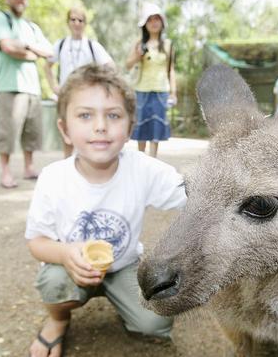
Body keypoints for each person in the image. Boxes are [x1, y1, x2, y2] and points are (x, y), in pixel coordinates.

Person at [26, 65, 186, 357]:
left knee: (155, 323)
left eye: (113, 115)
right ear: (64, 129)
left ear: (129, 127)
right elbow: (36, 242)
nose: (100, 126)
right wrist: (64, 254)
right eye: (85, 115)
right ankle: (57, 320)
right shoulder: (53, 177)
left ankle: (120, 297)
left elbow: (193, 195)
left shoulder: (143, 169)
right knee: (53, 281)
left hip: (124, 265)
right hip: (72, 266)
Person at [0, 0, 53, 188]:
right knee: (7, 131)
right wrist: (32, 51)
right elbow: (7, 47)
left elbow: (49, 52)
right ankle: (6, 172)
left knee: (31, 131)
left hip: (32, 86)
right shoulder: (0, 18)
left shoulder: (31, 27)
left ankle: (29, 167)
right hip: (9, 84)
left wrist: (24, 47)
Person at [44, 7, 115, 158]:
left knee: (87, 130)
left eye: (80, 20)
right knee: (68, 130)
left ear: (85, 23)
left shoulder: (91, 45)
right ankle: (67, 163)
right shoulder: (61, 44)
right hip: (66, 95)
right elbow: (47, 66)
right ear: (68, 22)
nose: (77, 23)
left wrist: (99, 86)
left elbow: (110, 66)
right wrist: (54, 87)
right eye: (73, 19)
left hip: (87, 97)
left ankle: (86, 162)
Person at [125, 2, 176, 158]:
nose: (154, 23)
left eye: (156, 19)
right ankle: (141, 159)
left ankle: (153, 160)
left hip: (161, 91)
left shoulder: (168, 45)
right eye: (150, 20)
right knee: (142, 128)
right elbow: (127, 65)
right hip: (141, 90)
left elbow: (171, 70)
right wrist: (137, 55)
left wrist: (174, 93)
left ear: (162, 22)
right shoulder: (139, 44)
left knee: (156, 129)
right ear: (145, 24)